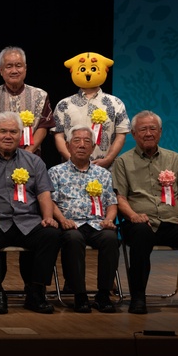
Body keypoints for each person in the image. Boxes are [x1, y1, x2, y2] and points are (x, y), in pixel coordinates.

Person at [112, 111, 178, 315]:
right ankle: (138, 296)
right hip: (139, 222)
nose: (148, 133)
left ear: (160, 132)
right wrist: (133, 215)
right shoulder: (123, 162)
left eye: (153, 129)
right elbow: (120, 198)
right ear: (133, 133)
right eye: (143, 129)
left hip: (170, 221)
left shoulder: (175, 158)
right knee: (141, 234)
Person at [0, 111, 60, 315]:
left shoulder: (34, 161)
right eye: (3, 131)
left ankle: (36, 291)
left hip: (28, 221)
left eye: (13, 131)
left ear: (21, 134)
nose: (8, 136)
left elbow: (43, 194)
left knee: (51, 234)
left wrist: (48, 217)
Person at [49, 126, 120, 313]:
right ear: (68, 146)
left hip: (97, 223)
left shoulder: (103, 174)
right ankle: (79, 294)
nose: (82, 145)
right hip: (71, 224)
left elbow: (112, 203)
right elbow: (51, 202)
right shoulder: (56, 172)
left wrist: (109, 220)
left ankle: (103, 294)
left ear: (93, 147)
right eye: (77, 141)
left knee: (111, 238)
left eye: (87, 141)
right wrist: (62, 219)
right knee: (73, 239)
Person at [51, 53, 129, 168]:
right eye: (82, 69)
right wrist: (72, 160)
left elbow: (121, 134)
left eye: (93, 69)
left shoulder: (116, 103)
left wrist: (108, 159)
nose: (88, 72)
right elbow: (58, 136)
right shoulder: (64, 104)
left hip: (106, 169)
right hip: (70, 170)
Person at [0, 46, 53, 154]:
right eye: (9, 66)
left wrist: (27, 153)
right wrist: (6, 150)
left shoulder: (40, 95)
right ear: (1, 70)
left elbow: (43, 128)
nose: (14, 70)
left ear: (25, 68)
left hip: (31, 156)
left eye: (18, 66)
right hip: (0, 156)